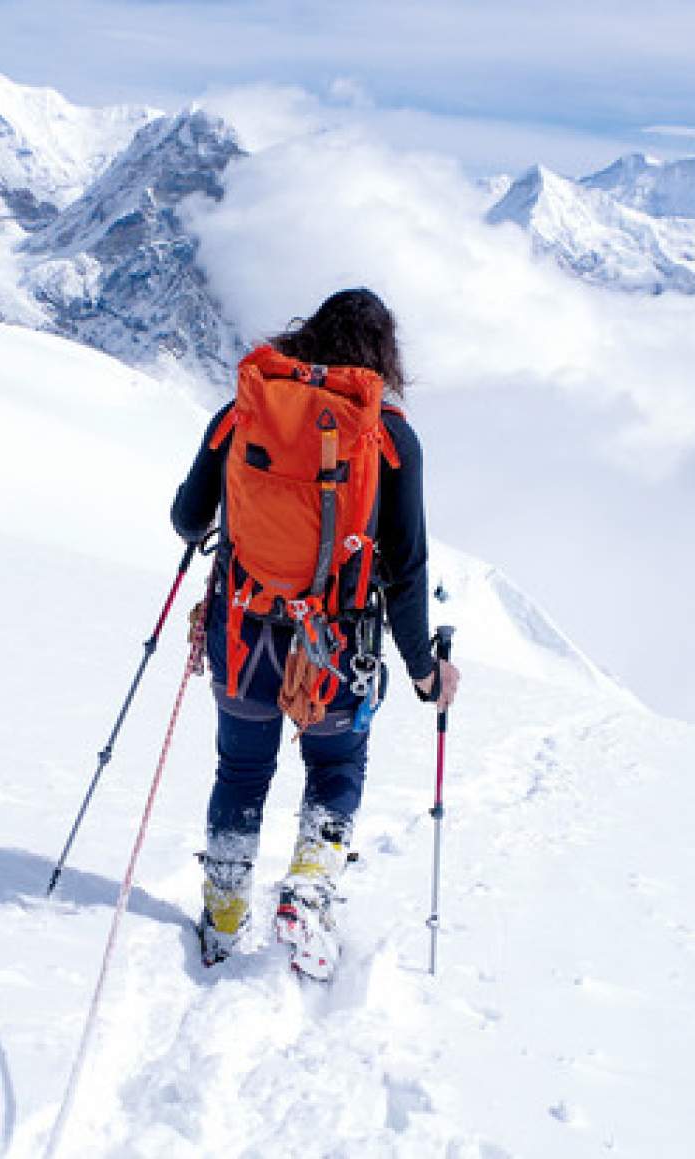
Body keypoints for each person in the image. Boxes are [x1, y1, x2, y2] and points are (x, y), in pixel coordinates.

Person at [170, 288, 461, 974]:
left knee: (240, 770)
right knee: (334, 768)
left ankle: (224, 912)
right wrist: (425, 671)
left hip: (241, 633)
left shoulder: (245, 409)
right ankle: (309, 891)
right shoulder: (388, 436)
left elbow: (187, 518)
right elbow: (407, 573)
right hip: (337, 649)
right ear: (383, 358)